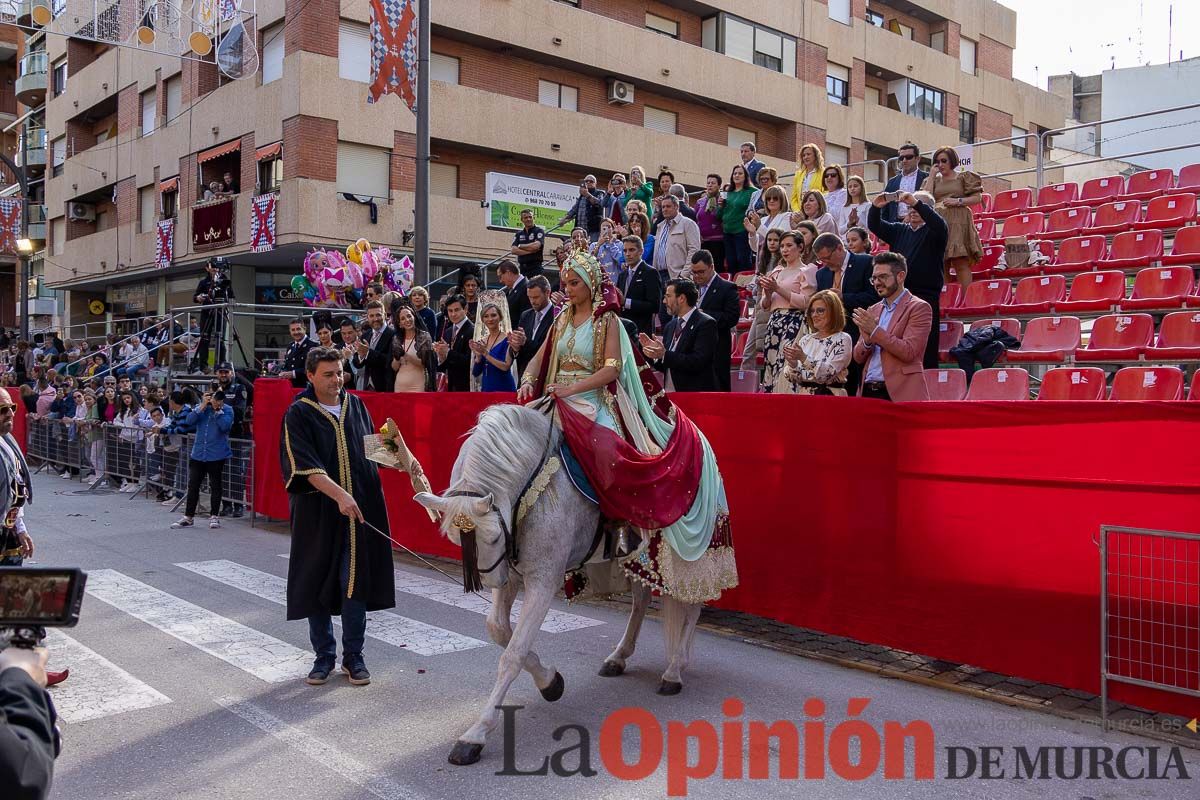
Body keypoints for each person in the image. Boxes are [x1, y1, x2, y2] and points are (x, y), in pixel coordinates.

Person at [516, 251, 737, 604]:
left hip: (593, 401)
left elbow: (612, 370)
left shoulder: (608, 321)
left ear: (590, 285)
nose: (569, 290)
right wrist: (529, 380)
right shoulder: (560, 321)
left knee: (607, 454)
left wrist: (570, 389)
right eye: (566, 284)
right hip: (555, 399)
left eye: (575, 284)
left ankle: (615, 526)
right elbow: (539, 358)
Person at [279, 347, 396, 686]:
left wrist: (400, 454)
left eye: (340, 372)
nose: (336, 380)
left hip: (358, 513)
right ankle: (323, 657)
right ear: (311, 376)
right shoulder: (297, 414)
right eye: (328, 374)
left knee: (354, 582)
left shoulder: (356, 405)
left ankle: (354, 657)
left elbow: (376, 451)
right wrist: (340, 495)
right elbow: (302, 466)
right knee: (317, 581)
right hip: (318, 513)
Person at [867, 190, 947, 369]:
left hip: (925, 296)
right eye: (909, 206)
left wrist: (915, 201)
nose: (913, 209)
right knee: (896, 340)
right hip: (899, 296)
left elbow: (938, 223)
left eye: (918, 205)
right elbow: (874, 225)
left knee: (924, 347)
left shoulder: (936, 231)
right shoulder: (899, 230)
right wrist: (876, 206)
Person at [852, 252, 933, 402]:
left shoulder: (919, 307)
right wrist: (867, 341)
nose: (877, 283)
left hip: (900, 394)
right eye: (874, 278)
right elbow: (858, 356)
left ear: (900, 276)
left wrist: (875, 331)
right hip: (869, 391)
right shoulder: (872, 310)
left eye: (882, 277)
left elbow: (909, 352)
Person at [812, 232, 878, 397]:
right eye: (821, 260)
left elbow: (875, 297)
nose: (825, 263)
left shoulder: (866, 263)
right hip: (832, 340)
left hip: (858, 334)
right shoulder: (822, 274)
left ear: (839, 248)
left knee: (856, 384)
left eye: (827, 258)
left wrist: (843, 297)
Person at [758, 230, 819, 392]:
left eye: (789, 245)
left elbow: (806, 302)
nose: (784, 249)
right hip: (775, 321)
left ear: (800, 247)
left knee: (789, 364)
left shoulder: (807, 271)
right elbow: (765, 305)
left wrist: (777, 288)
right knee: (772, 364)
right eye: (782, 246)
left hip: (796, 322)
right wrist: (769, 293)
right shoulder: (776, 271)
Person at [923, 145, 984, 291]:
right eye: (937, 162)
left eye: (944, 160)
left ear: (952, 161)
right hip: (938, 222)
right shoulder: (933, 180)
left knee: (960, 262)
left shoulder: (963, 176)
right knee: (941, 263)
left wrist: (958, 201)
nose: (941, 164)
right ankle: (947, 300)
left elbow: (977, 198)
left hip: (958, 220)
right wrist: (931, 176)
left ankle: (965, 300)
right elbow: (924, 199)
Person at [170, 387, 233, 528]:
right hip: (198, 453)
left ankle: (214, 516)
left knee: (215, 486)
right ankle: (188, 517)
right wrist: (203, 405)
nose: (214, 399)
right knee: (193, 486)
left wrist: (217, 410)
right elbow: (189, 421)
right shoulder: (201, 408)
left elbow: (225, 426)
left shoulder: (227, 409)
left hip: (216, 454)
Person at [641, 279, 718, 392]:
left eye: (668, 296)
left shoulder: (706, 323)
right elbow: (667, 366)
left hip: (695, 396)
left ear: (681, 298)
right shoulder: (670, 326)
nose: (664, 301)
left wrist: (665, 354)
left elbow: (698, 361)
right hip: (672, 395)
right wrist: (655, 354)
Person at [776, 290, 853, 396]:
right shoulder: (806, 339)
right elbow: (792, 377)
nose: (814, 315)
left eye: (820, 311)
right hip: (804, 398)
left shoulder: (843, 339)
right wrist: (792, 363)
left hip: (831, 399)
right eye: (812, 311)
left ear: (834, 312)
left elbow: (827, 374)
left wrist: (803, 358)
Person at [690, 251, 740, 392]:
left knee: (718, 389)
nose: (697, 276)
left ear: (712, 267)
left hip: (717, 349)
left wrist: (704, 314)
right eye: (694, 272)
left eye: (701, 272)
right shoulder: (692, 287)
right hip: (695, 350)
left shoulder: (727, 287)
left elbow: (732, 318)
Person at [191, 260, 234, 372]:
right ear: (207, 268)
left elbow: (231, 296)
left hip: (220, 311)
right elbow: (195, 298)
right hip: (207, 312)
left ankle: (221, 365)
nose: (215, 269)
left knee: (220, 338)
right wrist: (199, 298)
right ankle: (203, 365)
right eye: (213, 267)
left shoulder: (225, 280)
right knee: (204, 338)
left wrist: (229, 303)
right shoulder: (204, 282)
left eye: (217, 267)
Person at [509, 275, 556, 376]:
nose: (532, 301)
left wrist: (525, 342)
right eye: (529, 297)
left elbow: (549, 349)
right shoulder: (525, 315)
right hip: (525, 375)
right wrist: (515, 347)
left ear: (548, 292)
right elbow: (519, 352)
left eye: (536, 297)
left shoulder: (558, 316)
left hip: (546, 376)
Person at [615, 235, 662, 336]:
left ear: (641, 251)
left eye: (631, 250)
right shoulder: (622, 275)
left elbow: (655, 306)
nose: (627, 254)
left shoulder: (650, 272)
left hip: (642, 331)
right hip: (623, 330)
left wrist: (626, 302)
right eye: (625, 251)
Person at [652, 195, 701, 282]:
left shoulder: (688, 224)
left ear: (676, 207)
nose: (664, 209)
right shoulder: (660, 226)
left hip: (677, 276)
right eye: (663, 207)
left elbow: (694, 250)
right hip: (659, 276)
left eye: (668, 206)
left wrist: (683, 275)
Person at [389, 304, 436, 392]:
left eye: (409, 316)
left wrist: (406, 356)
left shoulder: (424, 336)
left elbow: (425, 363)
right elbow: (394, 367)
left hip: (418, 386)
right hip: (399, 385)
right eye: (403, 318)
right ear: (400, 324)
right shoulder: (397, 339)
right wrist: (397, 358)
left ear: (414, 317)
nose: (407, 320)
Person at [470, 304, 516, 392]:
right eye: (486, 316)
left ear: (500, 317)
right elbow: (476, 373)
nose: (490, 319)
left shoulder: (508, 339)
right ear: (482, 320)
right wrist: (478, 357)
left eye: (493, 315)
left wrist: (486, 354)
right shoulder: (482, 341)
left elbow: (506, 366)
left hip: (504, 388)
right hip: (486, 389)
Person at [351, 301, 395, 391]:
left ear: (385, 315)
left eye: (378, 315)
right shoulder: (365, 335)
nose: (375, 319)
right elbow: (357, 363)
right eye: (371, 316)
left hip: (384, 388)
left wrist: (368, 352)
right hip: (364, 387)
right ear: (367, 318)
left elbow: (389, 361)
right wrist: (361, 356)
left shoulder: (393, 335)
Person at [434, 294, 474, 392]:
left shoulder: (472, 330)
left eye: (457, 310)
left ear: (465, 309)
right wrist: (441, 356)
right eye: (450, 311)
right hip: (451, 385)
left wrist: (448, 352)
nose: (453, 314)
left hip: (466, 385)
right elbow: (445, 364)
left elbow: (469, 361)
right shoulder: (448, 331)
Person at [719, 164, 755, 273]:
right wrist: (720, 206)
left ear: (745, 176)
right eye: (735, 173)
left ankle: (745, 286)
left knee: (743, 259)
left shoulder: (752, 191)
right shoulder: (727, 193)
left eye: (740, 173)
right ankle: (733, 287)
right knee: (731, 261)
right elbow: (719, 215)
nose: (737, 175)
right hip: (727, 232)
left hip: (742, 231)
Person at [882, 142, 928, 222]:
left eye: (908, 157)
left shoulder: (926, 178)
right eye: (901, 158)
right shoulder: (892, 182)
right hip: (896, 225)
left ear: (918, 159)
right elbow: (885, 207)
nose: (904, 160)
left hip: (920, 223)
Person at [745, 185, 792, 263]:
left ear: (782, 200)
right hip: (762, 262)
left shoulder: (788, 216)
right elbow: (755, 248)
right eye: (768, 199)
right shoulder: (763, 220)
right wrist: (752, 233)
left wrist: (759, 227)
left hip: (778, 261)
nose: (771, 201)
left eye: (775, 198)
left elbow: (780, 240)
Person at [557, 174, 604, 242]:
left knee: (591, 248)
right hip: (580, 230)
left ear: (595, 184)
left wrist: (587, 194)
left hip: (593, 230)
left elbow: (600, 204)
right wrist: (564, 219)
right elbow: (575, 209)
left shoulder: (599, 193)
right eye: (586, 181)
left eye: (591, 181)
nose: (588, 182)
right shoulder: (582, 196)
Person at [694, 174, 726, 269]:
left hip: (718, 242)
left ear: (719, 186)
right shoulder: (700, 201)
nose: (710, 185)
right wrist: (697, 234)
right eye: (708, 183)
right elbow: (694, 220)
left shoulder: (722, 201)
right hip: (702, 242)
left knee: (717, 268)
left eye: (713, 183)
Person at [278, 318, 316, 389]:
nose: (296, 332)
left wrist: (293, 374)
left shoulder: (313, 345)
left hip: (306, 388)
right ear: (290, 331)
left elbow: (313, 368)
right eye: (293, 330)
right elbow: (287, 365)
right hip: (290, 387)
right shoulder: (290, 346)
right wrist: (282, 372)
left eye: (298, 329)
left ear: (304, 329)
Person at [509, 208, 546, 279]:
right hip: (522, 269)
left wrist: (520, 246)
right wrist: (531, 251)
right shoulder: (519, 234)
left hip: (535, 268)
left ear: (533, 218)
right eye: (526, 217)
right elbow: (514, 250)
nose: (528, 219)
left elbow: (536, 246)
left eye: (530, 217)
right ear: (522, 220)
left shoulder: (539, 231)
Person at [789, 143, 826, 211]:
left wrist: (814, 208)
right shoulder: (798, 175)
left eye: (808, 154)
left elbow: (826, 193)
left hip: (817, 212)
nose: (806, 157)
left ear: (816, 156)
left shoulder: (823, 172)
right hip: (800, 213)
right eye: (803, 155)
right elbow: (794, 198)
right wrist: (798, 211)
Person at [497, 260, 532, 325]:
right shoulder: (509, 290)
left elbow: (527, 318)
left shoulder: (527, 288)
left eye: (500, 276)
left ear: (508, 273)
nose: (500, 281)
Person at [590, 219, 625, 285]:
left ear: (612, 229)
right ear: (600, 229)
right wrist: (599, 245)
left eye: (609, 227)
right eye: (604, 227)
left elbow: (620, 260)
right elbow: (591, 261)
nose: (606, 229)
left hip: (615, 281)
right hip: (599, 281)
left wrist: (611, 244)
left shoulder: (619, 244)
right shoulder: (594, 245)